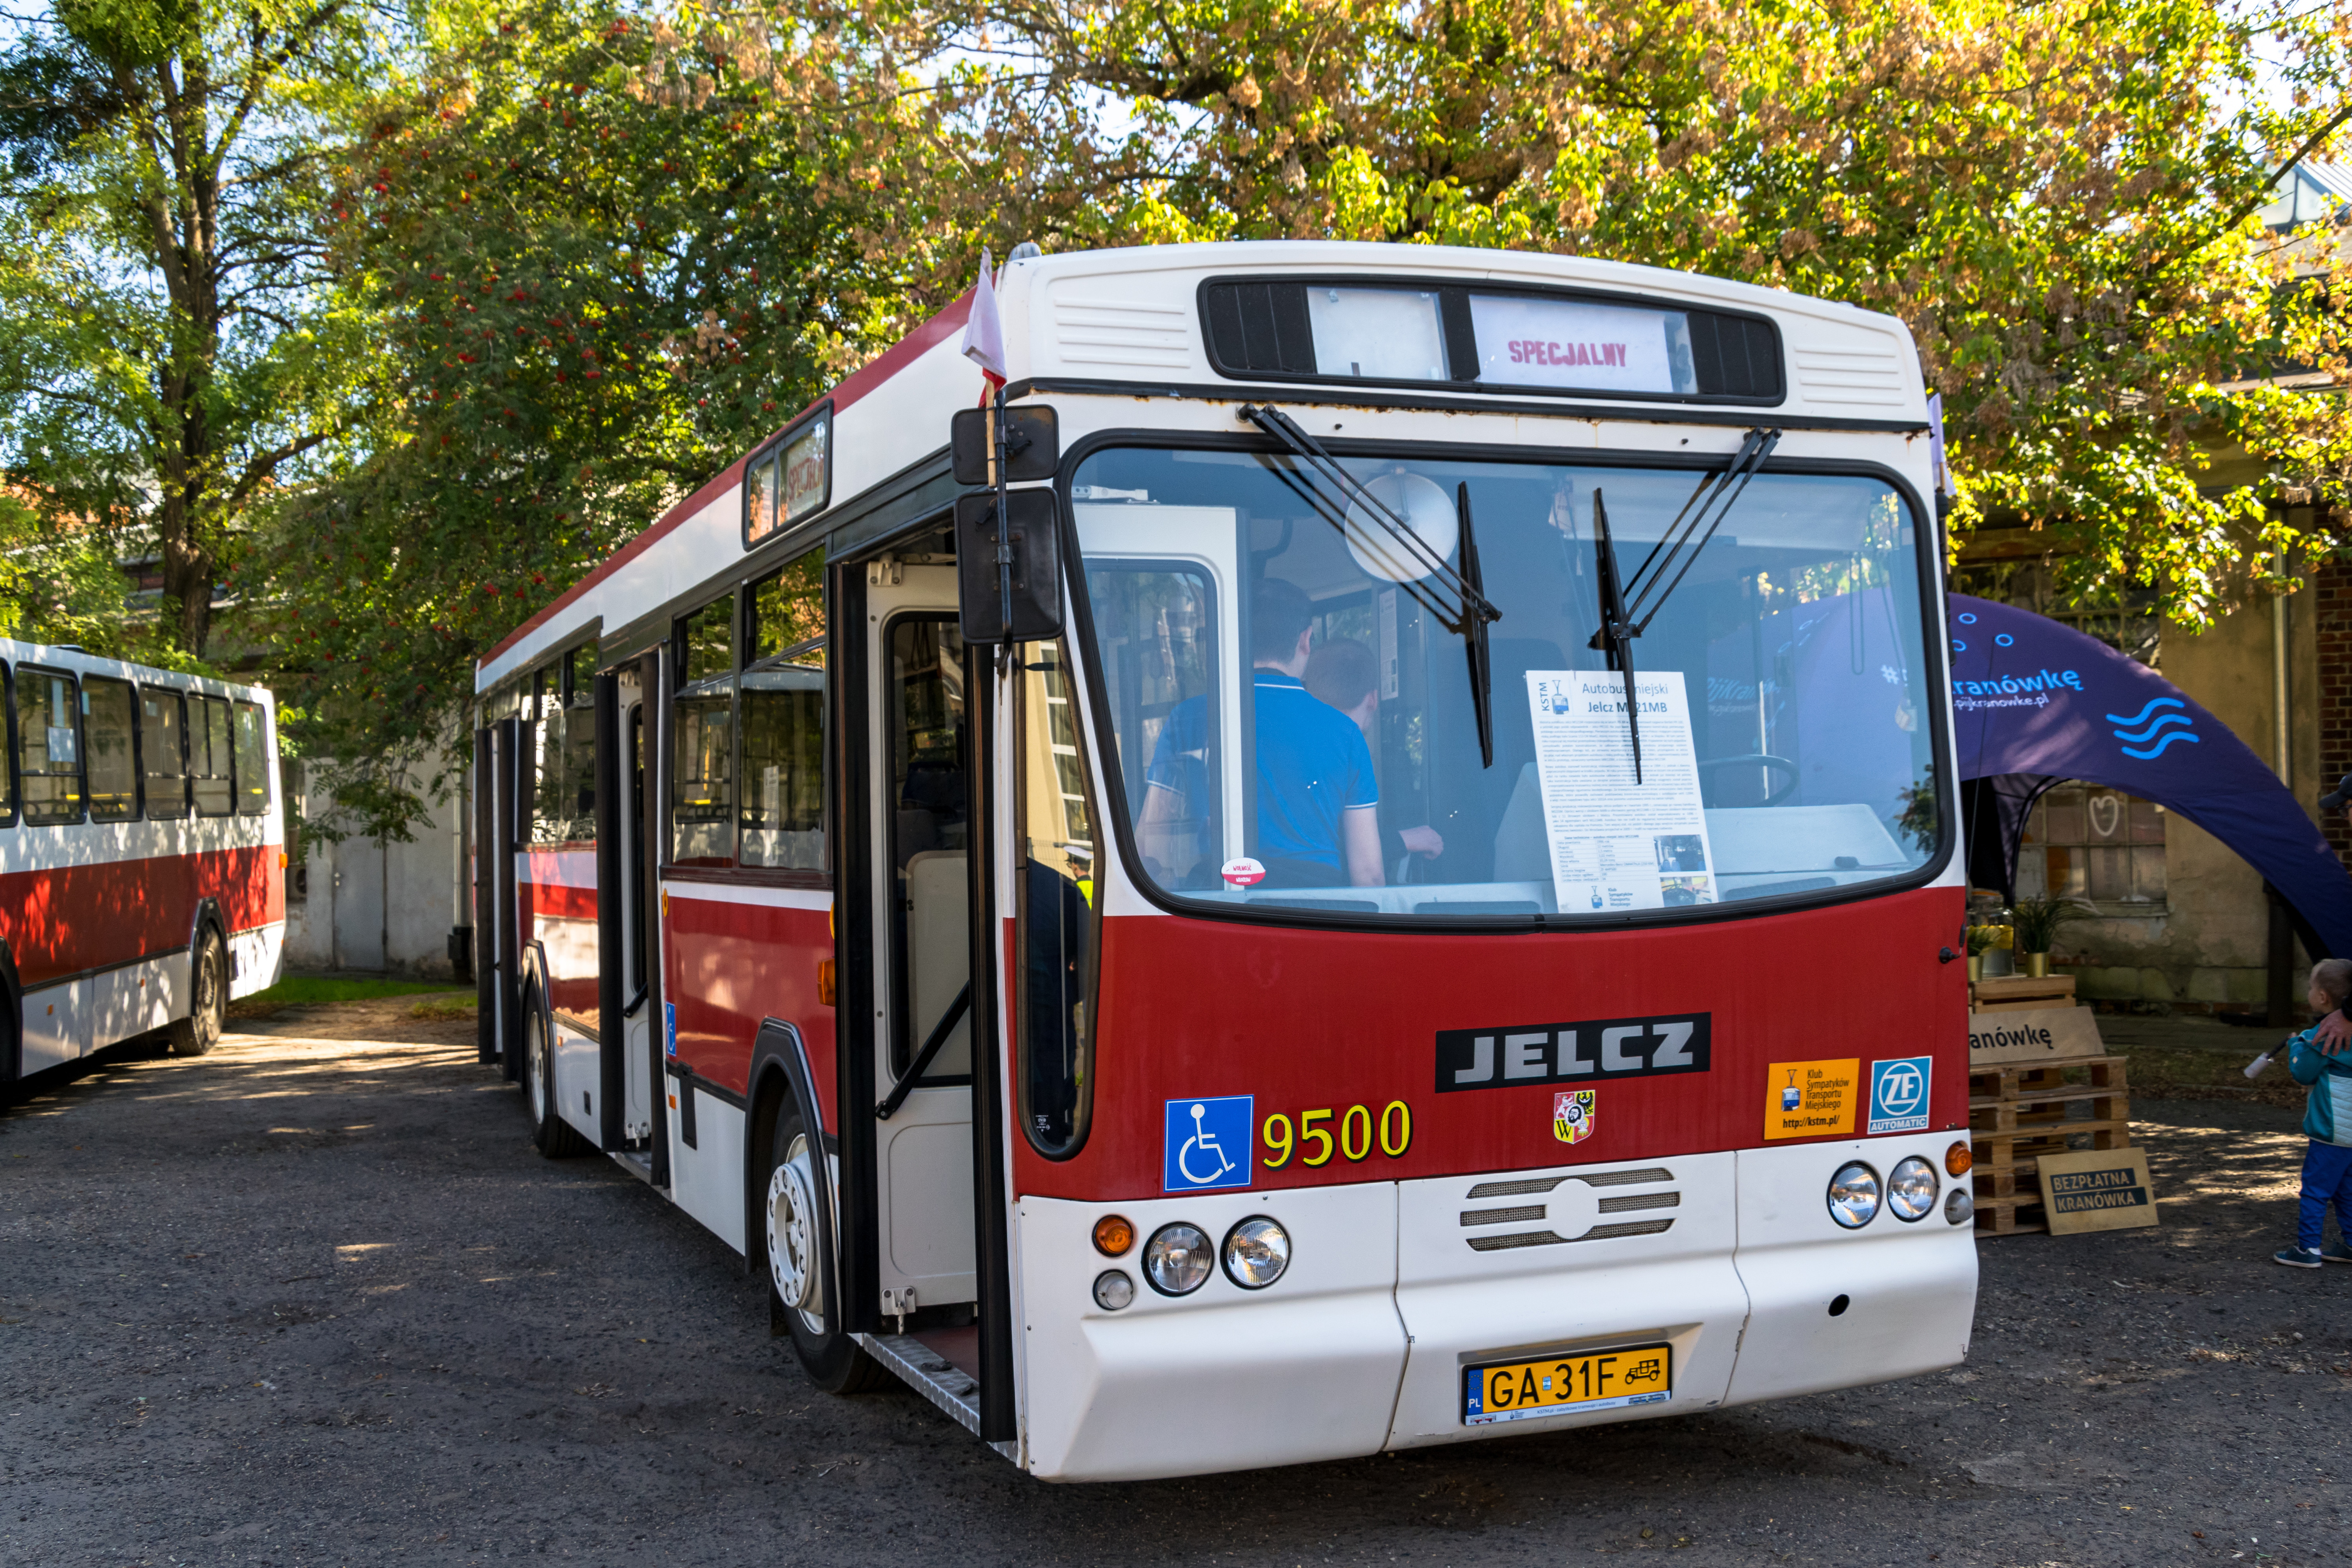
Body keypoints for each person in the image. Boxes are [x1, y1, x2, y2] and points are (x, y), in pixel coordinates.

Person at [1141, 577, 1383, 889]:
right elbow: (1369, 873)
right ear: (1306, 640)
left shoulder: (1189, 718)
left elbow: (1152, 834)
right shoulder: (1346, 732)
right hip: (1317, 906)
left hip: (1219, 898)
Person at [1303, 637, 1445, 870]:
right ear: (1373, 699)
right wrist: (1402, 841)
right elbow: (1339, 854)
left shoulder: (1290, 744)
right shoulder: (1352, 748)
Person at [2275, 956, 2352, 1267]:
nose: (2309, 991)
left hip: (2332, 1130)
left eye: (2311, 986)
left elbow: (2303, 1074)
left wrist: (2297, 1046)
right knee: (2347, 1189)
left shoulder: (2322, 1035)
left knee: (2316, 1190)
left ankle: (2308, 1249)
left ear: (2322, 997)